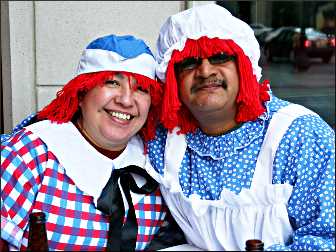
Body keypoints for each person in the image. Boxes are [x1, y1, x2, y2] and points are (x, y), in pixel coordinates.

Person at [145, 4, 335, 251]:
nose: (205, 71)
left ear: (244, 66)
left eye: (220, 57)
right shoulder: (164, 141)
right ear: (172, 78)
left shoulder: (301, 137)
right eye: (189, 62)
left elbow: (328, 240)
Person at [1, 34, 185, 251]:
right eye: (112, 82)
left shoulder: (157, 161)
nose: (126, 100)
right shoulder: (27, 154)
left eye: (141, 89)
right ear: (81, 94)